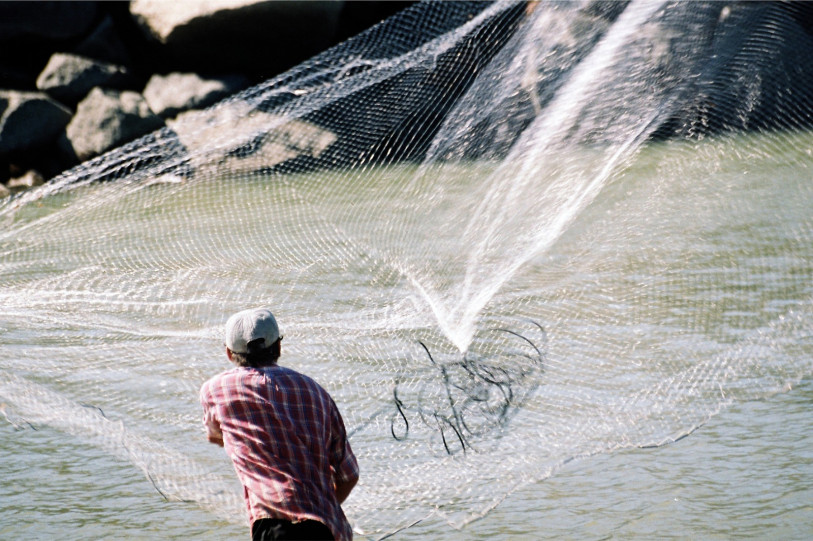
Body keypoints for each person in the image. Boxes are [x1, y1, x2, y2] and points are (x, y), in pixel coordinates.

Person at [200, 308, 359, 541]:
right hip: (324, 528)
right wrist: (320, 507)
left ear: (229, 353)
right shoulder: (316, 392)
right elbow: (348, 475)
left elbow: (215, 436)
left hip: (270, 528)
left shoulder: (214, 391)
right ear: (279, 347)